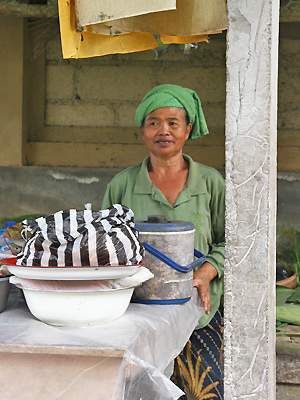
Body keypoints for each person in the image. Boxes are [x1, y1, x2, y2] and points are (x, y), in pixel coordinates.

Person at [102, 84, 225, 399]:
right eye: (153, 122)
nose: (163, 130)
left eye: (173, 122)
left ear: (188, 129)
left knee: (206, 386)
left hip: (199, 313)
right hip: (135, 314)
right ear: (142, 130)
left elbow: (232, 243)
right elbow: (101, 246)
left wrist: (205, 273)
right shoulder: (122, 185)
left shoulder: (211, 183)